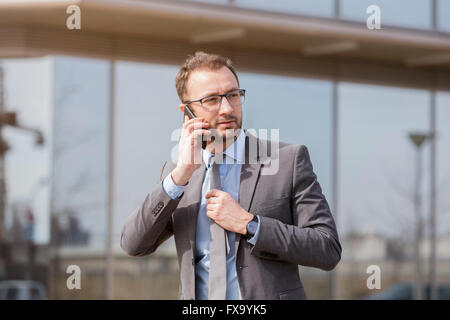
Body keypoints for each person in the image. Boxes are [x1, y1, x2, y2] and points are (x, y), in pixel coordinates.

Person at [120, 51, 341, 300]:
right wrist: (179, 176)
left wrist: (250, 224)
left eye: (233, 95)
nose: (227, 108)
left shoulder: (288, 160)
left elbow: (327, 248)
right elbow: (133, 244)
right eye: (212, 100)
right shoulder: (178, 175)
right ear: (187, 112)